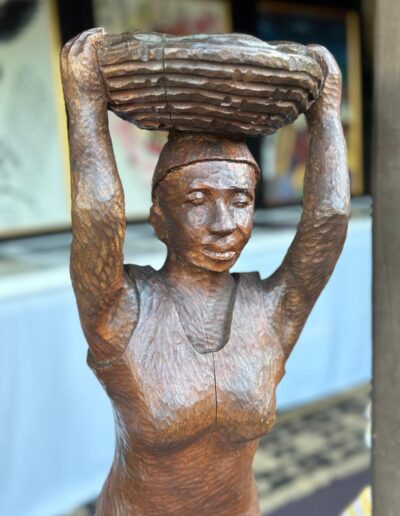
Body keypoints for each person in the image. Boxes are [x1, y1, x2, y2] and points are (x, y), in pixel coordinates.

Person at [61, 28, 350, 516]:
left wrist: (325, 112)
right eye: (198, 200)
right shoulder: (121, 313)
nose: (224, 224)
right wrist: (86, 104)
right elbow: (99, 217)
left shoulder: (272, 311)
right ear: (159, 217)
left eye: (240, 201)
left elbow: (331, 217)